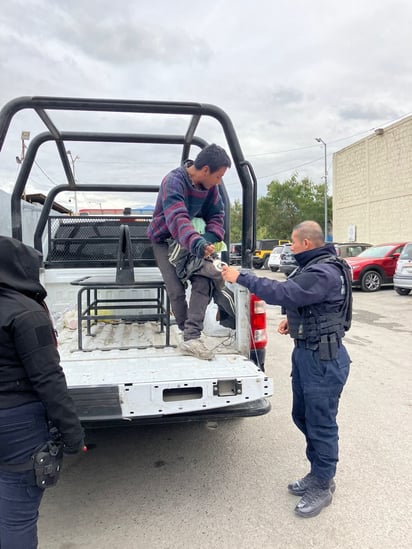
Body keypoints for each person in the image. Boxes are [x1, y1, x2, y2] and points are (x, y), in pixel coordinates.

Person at [221, 221, 352, 518]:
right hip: (309, 352)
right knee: (302, 415)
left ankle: (323, 482)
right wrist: (294, 323)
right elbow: (318, 305)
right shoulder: (318, 266)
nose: (290, 248)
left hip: (323, 358)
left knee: (321, 424)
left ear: (306, 243)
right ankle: (317, 472)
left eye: (293, 243)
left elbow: (284, 293)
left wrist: (241, 277)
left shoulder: (323, 271)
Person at [0, 236, 85, 548]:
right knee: (16, 516)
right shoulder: (26, 313)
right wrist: (73, 435)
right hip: (16, 425)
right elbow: (48, 379)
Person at [147, 143, 231, 360]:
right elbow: (177, 219)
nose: (219, 182)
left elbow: (217, 216)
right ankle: (188, 333)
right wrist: (198, 244)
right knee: (175, 289)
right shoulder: (173, 181)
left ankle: (192, 337)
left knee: (203, 278)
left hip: (193, 239)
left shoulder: (210, 188)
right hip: (165, 240)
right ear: (205, 171)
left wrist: (208, 239)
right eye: (219, 176)